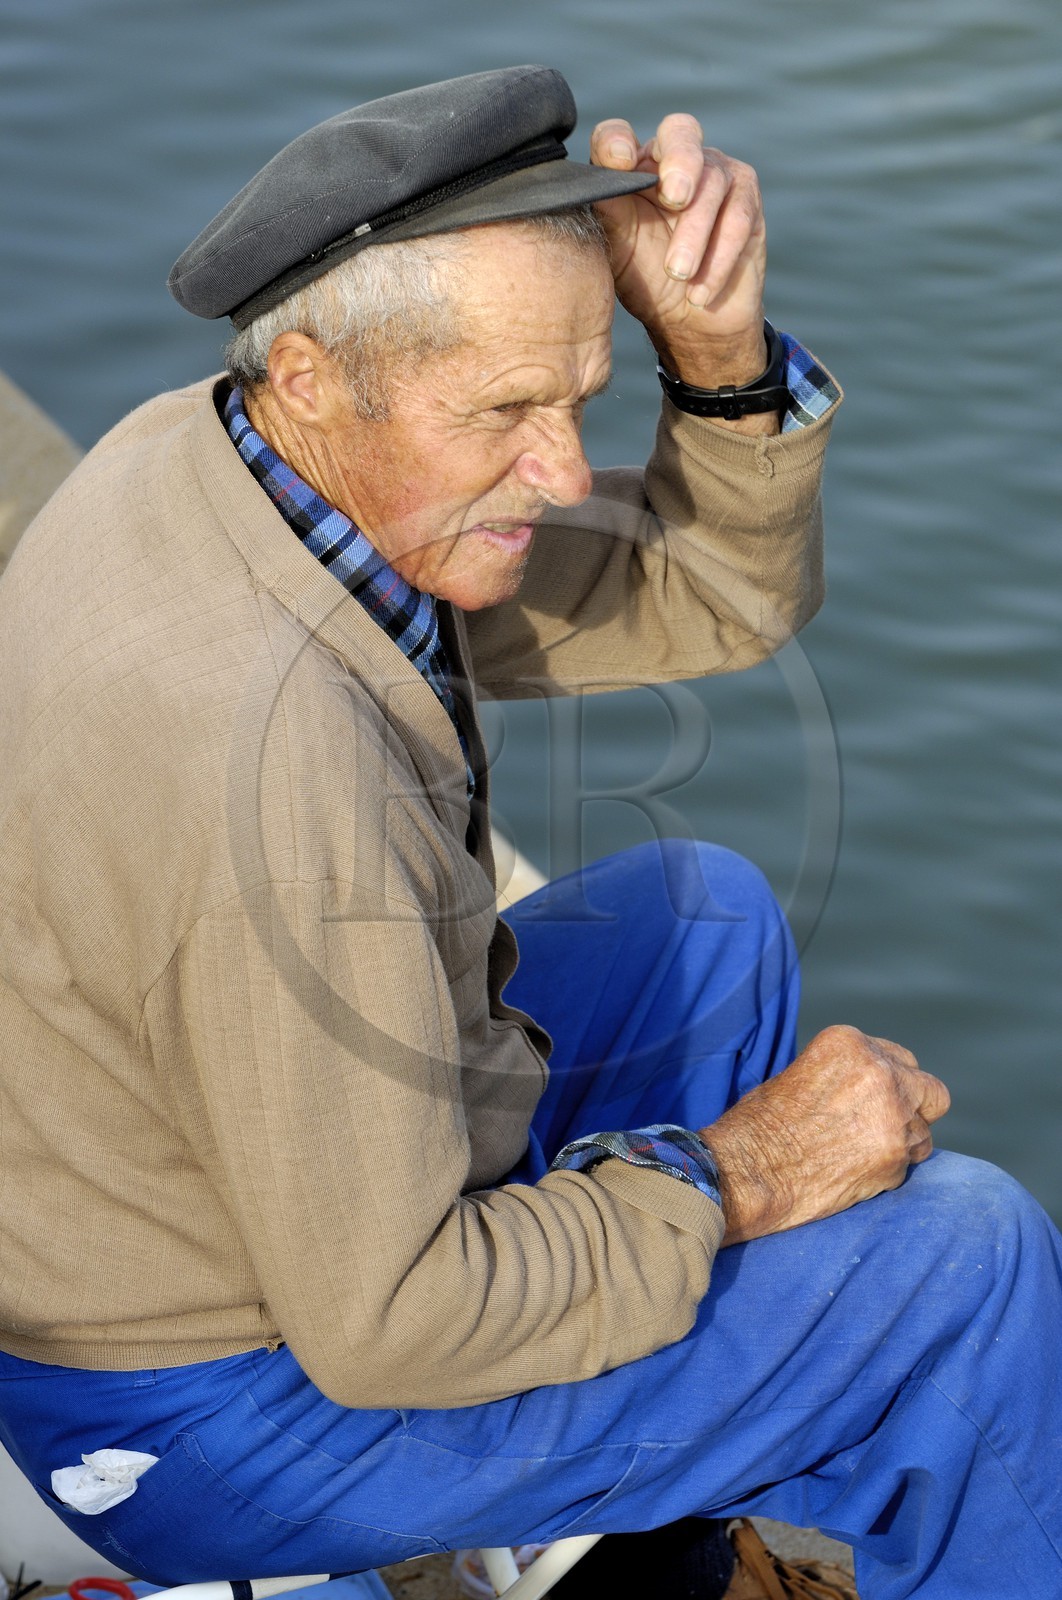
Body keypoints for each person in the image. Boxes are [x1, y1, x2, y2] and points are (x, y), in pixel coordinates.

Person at [0, 65, 1059, 1600]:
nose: (563, 472)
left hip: (199, 1195)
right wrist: (736, 1176)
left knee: (697, 917)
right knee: (957, 1264)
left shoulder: (234, 460)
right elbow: (391, 1321)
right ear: (311, 374)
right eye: (503, 413)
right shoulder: (274, 770)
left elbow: (708, 593)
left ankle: (629, 1516)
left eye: (577, 396)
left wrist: (714, 365)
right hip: (202, 1409)